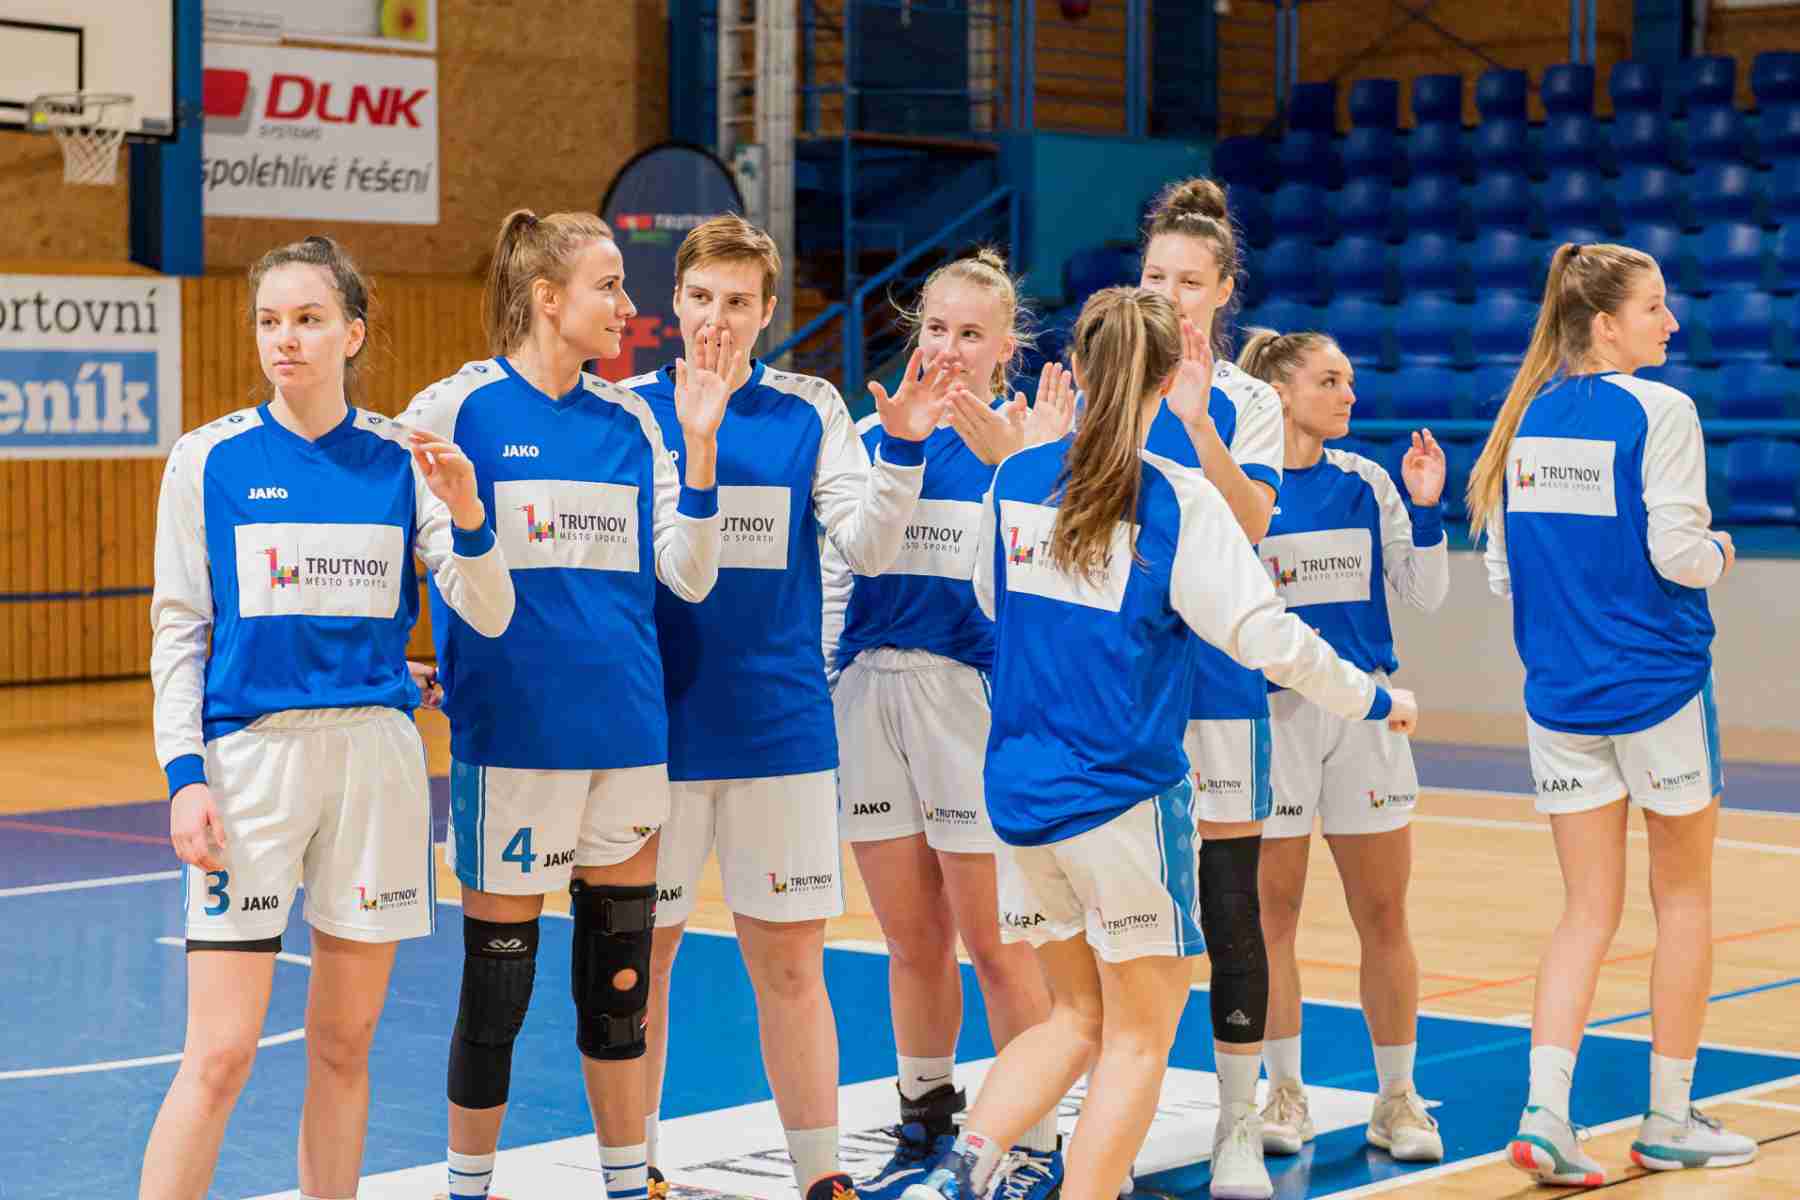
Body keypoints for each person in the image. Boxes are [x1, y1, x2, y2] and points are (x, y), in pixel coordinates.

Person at [903, 287, 1418, 1200]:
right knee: (1139, 1038)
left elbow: (988, 600)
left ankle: (958, 1171)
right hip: (1121, 803)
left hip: (1018, 799)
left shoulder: (1015, 477)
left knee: (1074, 1017)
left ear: (1079, 369)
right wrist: (1375, 698)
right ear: (1172, 377)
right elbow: (1269, 639)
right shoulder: (1176, 499)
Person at [143, 236, 515, 1200]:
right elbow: (180, 632)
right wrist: (184, 777)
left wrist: (470, 514)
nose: (286, 339)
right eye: (270, 320)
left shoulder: (403, 459)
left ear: (352, 332)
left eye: (309, 319)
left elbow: (489, 612)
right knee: (218, 1055)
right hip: (248, 768)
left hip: (374, 763)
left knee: (345, 1046)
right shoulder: (207, 459)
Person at [399, 209, 725, 1200]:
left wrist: (701, 448)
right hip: (512, 742)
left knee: (619, 988)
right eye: (609, 286)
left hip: (626, 738)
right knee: (497, 989)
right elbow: (430, 569)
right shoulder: (455, 409)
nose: (629, 306)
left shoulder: (634, 423)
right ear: (547, 299)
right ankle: (468, 1188)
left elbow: (690, 576)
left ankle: (628, 1185)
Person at [626, 214, 945, 1200]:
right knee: (641, 969)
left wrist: (903, 450)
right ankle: (634, 1170)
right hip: (654, 739)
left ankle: (821, 1176)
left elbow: (869, 545)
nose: (716, 321)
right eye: (700, 299)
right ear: (675, 302)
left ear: (767, 311)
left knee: (793, 969)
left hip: (781, 735)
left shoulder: (810, 410)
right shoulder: (624, 414)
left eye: (737, 303)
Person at [1469, 243, 1752, 1187]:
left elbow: (1504, 575)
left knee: (1584, 911)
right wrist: (1721, 551)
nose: (1671, 322)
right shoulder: (1660, 410)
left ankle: (1545, 1113)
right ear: (1604, 324)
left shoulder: (1525, 417)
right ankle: (1668, 1117)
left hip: (1559, 699)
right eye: (1654, 307)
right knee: (1685, 901)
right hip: (1658, 688)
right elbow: (1679, 555)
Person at [820, 249, 1075, 1200]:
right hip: (868, 694)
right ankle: (925, 1116)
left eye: (973, 333)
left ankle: (1035, 1142)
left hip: (971, 701)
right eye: (936, 328)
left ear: (1008, 346)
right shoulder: (867, 435)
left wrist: (1026, 468)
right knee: (911, 939)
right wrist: (826, 684)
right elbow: (836, 574)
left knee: (996, 944)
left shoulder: (1035, 444)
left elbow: (1063, 586)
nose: (951, 348)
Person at [1228, 330, 1449, 1164]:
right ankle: (1285, 1090)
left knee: (1384, 914)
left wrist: (1427, 508)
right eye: (1329, 381)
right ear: (1279, 393)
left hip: (1366, 718)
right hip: (1272, 721)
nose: (1349, 395)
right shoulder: (1241, 490)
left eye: (1350, 380)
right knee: (1272, 918)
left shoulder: (1367, 482)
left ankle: (1397, 1099)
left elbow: (1426, 595)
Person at [1135, 178, 1287, 1165]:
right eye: (1155, 276)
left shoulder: (1248, 400)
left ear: (1224, 290)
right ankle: (1116, 1112)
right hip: (1122, 685)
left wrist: (1195, 424)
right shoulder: (1103, 385)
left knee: (1229, 903)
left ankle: (1239, 1121)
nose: (1170, 295)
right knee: (1123, 915)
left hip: (1220, 683)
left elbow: (1252, 521)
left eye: (1190, 281)